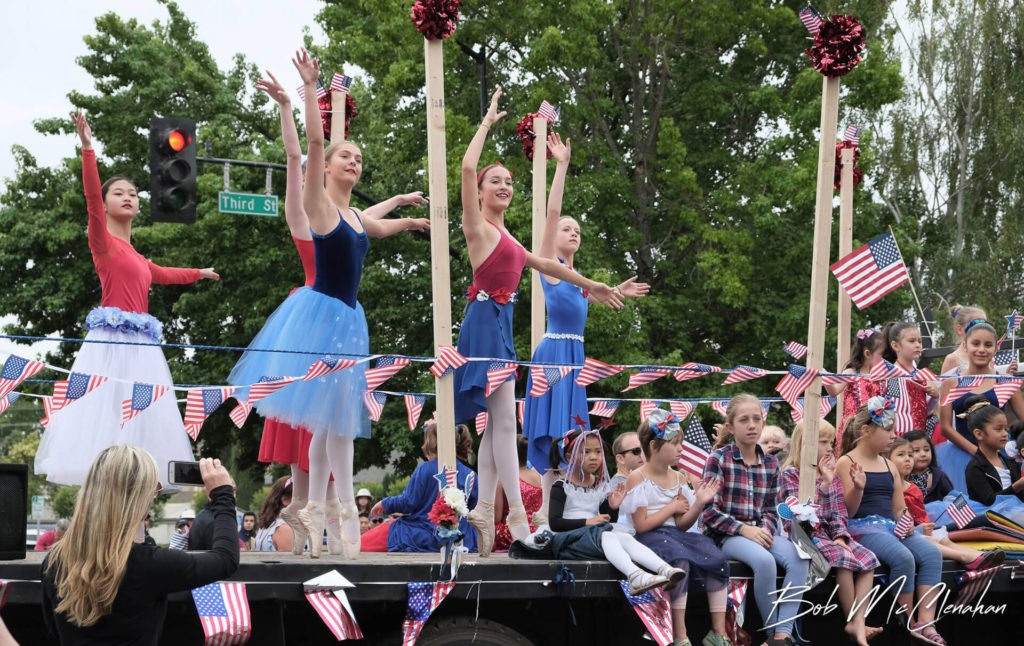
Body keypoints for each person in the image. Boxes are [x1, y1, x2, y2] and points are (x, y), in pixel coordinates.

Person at [228, 50, 430, 560]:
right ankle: (324, 512)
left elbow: (377, 224)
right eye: (348, 157)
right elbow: (309, 148)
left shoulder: (357, 216)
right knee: (328, 423)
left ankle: (325, 514)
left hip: (349, 323)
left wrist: (407, 213)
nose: (354, 162)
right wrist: (298, 101)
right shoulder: (319, 208)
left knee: (333, 423)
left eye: (359, 159)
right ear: (332, 167)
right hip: (318, 317)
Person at [456, 88, 622, 557]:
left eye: (509, 181)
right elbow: (467, 169)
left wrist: (596, 284)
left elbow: (548, 266)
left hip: (502, 325)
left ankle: (485, 507)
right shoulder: (477, 224)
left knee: (498, 427)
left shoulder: (506, 235)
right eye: (496, 182)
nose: (504, 186)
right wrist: (486, 122)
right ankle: (517, 518)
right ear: (482, 191)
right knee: (506, 424)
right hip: (485, 322)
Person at [34, 114, 218, 488]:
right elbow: (91, 199)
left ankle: (135, 528)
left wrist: (198, 272)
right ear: (106, 204)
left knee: (141, 431)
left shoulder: (138, 257)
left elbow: (163, 273)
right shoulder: (103, 243)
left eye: (134, 193)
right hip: (110, 345)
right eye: (119, 192)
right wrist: (88, 149)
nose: (129, 197)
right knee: (106, 427)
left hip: (144, 350)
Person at [522, 133, 649, 526]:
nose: (573, 232)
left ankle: (566, 508)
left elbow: (583, 302)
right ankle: (547, 510)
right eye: (567, 229)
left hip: (575, 358)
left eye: (578, 230)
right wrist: (561, 166)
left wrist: (616, 291)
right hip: (555, 354)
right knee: (554, 433)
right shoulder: (549, 265)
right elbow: (552, 210)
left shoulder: (577, 279)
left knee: (572, 435)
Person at [42, 447, 238, 644]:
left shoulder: (53, 561)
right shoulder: (149, 564)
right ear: (140, 498)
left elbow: (53, 631)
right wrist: (223, 495)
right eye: (154, 489)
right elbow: (225, 559)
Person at [701, 394, 808, 646]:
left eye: (756, 419)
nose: (751, 425)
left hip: (758, 532)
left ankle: (783, 633)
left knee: (801, 557)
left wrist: (765, 530)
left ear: (763, 422)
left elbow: (772, 509)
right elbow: (708, 512)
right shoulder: (718, 459)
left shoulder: (770, 463)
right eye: (744, 420)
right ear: (730, 427)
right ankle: (771, 633)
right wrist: (745, 530)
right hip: (726, 535)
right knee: (765, 561)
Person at [837, 399, 945, 646]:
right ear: (866, 431)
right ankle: (906, 619)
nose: (894, 436)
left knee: (931, 553)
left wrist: (906, 522)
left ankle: (926, 622)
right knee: (903, 557)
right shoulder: (846, 463)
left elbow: (899, 508)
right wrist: (858, 488)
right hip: (860, 528)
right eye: (888, 430)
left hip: (888, 526)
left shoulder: (888, 464)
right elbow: (847, 512)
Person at [621, 410, 731, 646]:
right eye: (674, 443)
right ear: (654, 445)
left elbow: (683, 524)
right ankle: (679, 634)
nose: (681, 448)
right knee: (679, 559)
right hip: (649, 537)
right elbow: (641, 525)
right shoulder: (637, 478)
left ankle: (718, 632)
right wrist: (671, 507)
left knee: (715, 556)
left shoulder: (680, 478)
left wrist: (699, 502)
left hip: (675, 536)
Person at [779, 418, 880, 646]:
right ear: (804, 444)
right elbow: (799, 514)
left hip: (829, 534)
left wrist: (840, 536)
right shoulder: (790, 474)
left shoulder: (831, 475)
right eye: (822, 442)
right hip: (804, 534)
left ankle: (859, 620)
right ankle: (852, 620)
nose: (828, 448)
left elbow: (838, 513)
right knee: (843, 558)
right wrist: (823, 485)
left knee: (869, 559)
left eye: (830, 442)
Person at [936, 319, 1024, 493]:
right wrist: (976, 452)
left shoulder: (1006, 382)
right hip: (961, 453)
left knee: (1001, 502)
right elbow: (945, 427)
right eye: (976, 343)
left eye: (988, 345)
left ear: (996, 348)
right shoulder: (951, 382)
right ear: (965, 345)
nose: (982, 349)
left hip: (999, 454)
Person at [362, 422, 478, 552]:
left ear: (432, 443)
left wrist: (386, 503)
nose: (423, 446)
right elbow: (473, 510)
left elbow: (409, 502)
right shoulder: (472, 475)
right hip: (461, 541)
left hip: (423, 537)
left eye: (425, 440)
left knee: (370, 539)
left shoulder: (425, 469)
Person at [890, 436, 1002, 570]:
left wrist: (926, 525)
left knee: (943, 539)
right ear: (886, 460)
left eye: (909, 454)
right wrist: (920, 529)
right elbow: (894, 515)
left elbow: (921, 514)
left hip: (921, 529)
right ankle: (967, 558)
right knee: (931, 541)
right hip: (902, 533)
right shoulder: (887, 487)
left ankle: (980, 556)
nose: (908, 458)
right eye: (901, 454)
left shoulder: (913, 488)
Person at [826, 328, 886, 443]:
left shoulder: (881, 377)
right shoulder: (851, 373)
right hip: (853, 431)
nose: (884, 359)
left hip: (875, 429)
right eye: (881, 355)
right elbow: (833, 391)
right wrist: (825, 377)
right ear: (868, 353)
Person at [963, 397, 1024, 504]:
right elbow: (990, 501)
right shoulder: (975, 467)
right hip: (990, 518)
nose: (1005, 434)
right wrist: (1017, 486)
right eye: (998, 429)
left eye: (1005, 429)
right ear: (979, 434)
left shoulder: (1010, 462)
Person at [881, 321, 938, 436]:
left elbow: (924, 411)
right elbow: (894, 408)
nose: (918, 345)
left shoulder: (921, 375)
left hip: (919, 436)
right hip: (900, 436)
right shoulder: (893, 375)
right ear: (895, 346)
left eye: (920, 341)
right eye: (912, 341)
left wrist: (934, 397)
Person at [494, 436, 542, 550]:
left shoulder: (502, 478)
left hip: (512, 535)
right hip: (539, 533)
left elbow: (496, 517)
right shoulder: (541, 475)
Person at [902, 430, 953, 504]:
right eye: (916, 450)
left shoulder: (939, 476)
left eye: (926, 450)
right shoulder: (901, 478)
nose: (923, 454)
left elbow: (953, 498)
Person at [189, 476, 236, 551]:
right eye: (226, 491)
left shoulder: (204, 516)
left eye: (233, 490)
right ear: (210, 493)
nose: (232, 495)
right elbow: (221, 559)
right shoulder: (215, 522)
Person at [253, 476, 294, 552]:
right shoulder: (283, 530)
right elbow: (292, 563)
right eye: (299, 498)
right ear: (285, 500)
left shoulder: (267, 526)